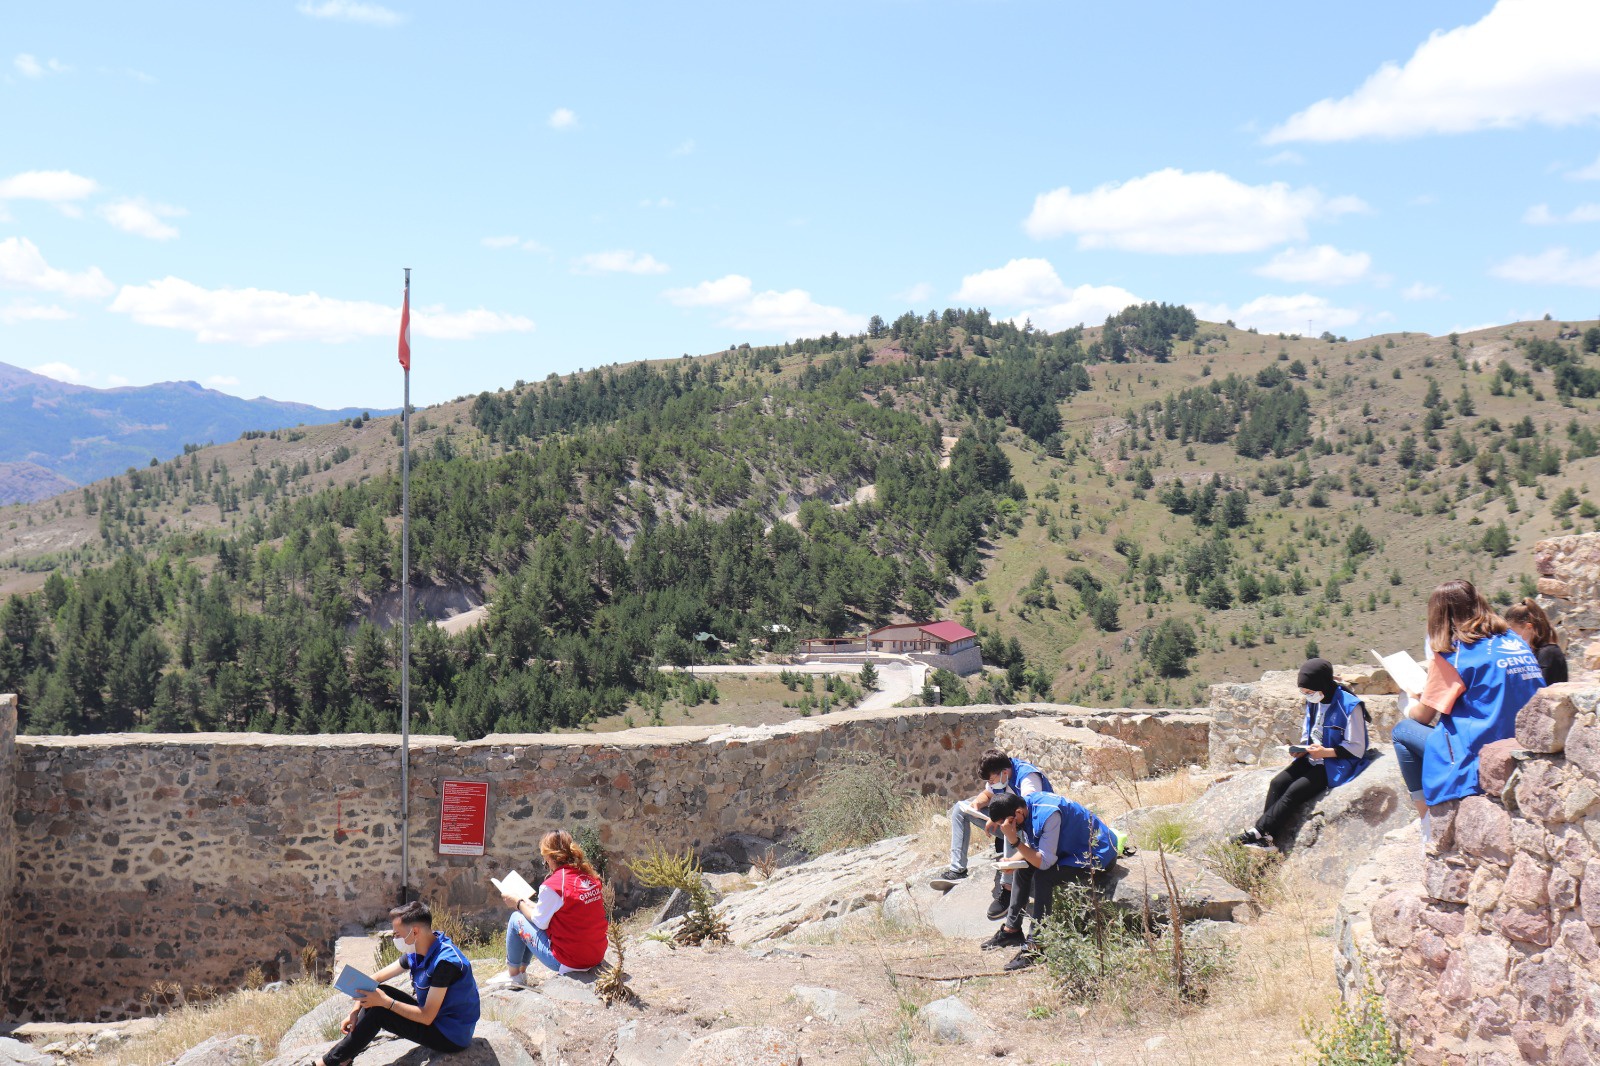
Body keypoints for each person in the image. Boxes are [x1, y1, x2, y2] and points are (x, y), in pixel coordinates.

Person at [1389, 580, 1545, 833]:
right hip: (1525, 742)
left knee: (1402, 731)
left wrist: (1410, 702)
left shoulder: (1455, 654)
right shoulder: (1513, 641)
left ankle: (1426, 819)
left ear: (1439, 615)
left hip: (1478, 753)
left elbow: (1423, 716)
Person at [318, 901, 479, 1066]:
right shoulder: (418, 950)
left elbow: (427, 1016)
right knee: (379, 990)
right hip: (435, 1020)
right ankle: (344, 1058)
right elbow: (374, 979)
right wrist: (354, 1011)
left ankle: (329, 1062)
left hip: (450, 1036)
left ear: (414, 931)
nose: (395, 939)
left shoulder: (445, 963)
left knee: (380, 1012)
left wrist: (386, 1002)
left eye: (397, 934)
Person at [1232, 658, 1369, 851]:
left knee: (1294, 791)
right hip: (1313, 756)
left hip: (1335, 762)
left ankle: (1258, 832)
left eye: (1309, 692)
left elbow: (1357, 747)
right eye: (1304, 692)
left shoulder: (1350, 706)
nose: (1307, 696)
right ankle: (1268, 837)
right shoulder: (1315, 701)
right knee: (1277, 783)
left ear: (1322, 685)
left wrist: (1325, 752)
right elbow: (1310, 730)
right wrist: (1302, 748)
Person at [978, 791, 1120, 972]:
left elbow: (1044, 862)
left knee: (1043, 877)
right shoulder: (1025, 806)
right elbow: (1036, 845)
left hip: (1098, 855)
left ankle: (1036, 945)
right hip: (1070, 851)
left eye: (1007, 824)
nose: (1007, 828)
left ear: (1018, 813)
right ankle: (1011, 931)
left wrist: (1014, 841)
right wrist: (1012, 860)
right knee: (1023, 867)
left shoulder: (1048, 815)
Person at [934, 749, 1054, 921]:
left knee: (1010, 824)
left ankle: (1009, 889)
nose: (991, 783)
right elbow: (988, 794)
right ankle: (958, 870)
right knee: (960, 809)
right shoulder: (1001, 775)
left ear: (1004, 773)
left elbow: (1027, 811)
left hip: (1033, 831)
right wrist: (977, 804)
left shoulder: (1028, 779)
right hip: (1010, 821)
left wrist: (997, 817)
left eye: (992, 780)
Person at [495, 830, 608, 985]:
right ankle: (521, 971)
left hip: (570, 961)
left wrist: (518, 903)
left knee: (516, 919)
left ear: (549, 857)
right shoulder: (588, 877)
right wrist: (525, 902)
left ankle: (514, 976)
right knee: (526, 915)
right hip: (595, 954)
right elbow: (555, 910)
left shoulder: (553, 885)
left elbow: (540, 921)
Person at [1504, 598, 1568, 685]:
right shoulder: (1532, 652)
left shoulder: (1549, 654)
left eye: (1513, 632)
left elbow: (1541, 688)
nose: (1511, 637)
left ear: (1529, 627)